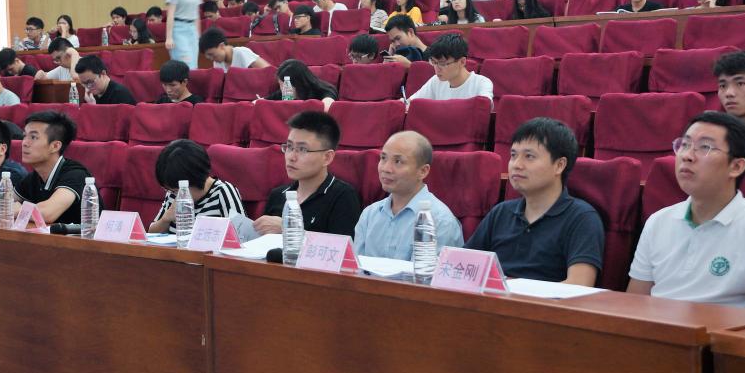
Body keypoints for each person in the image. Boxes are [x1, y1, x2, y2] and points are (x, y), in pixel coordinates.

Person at [627, 112, 745, 313]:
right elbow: (635, 301)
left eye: (705, 147)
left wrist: (702, 324)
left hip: (723, 333)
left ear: (736, 166)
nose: (687, 156)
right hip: (657, 330)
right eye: (684, 144)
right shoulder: (657, 222)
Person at [466, 118, 605, 285]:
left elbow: (579, 286)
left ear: (559, 165)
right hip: (494, 299)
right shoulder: (501, 212)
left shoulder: (582, 218)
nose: (516, 165)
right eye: (513, 155)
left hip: (545, 302)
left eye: (529, 156)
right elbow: (462, 267)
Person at [353, 131, 463, 259]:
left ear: (423, 171)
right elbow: (355, 267)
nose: (386, 169)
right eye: (383, 158)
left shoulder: (440, 222)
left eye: (398, 161)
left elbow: (426, 272)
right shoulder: (369, 215)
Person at [253, 111, 361, 237]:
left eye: (302, 149)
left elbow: (342, 247)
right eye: (289, 147)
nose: (291, 157)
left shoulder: (342, 196)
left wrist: (289, 229)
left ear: (327, 157)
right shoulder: (278, 195)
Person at [149, 139, 245, 234]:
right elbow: (151, 234)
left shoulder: (223, 192)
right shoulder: (173, 194)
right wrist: (165, 219)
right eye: (171, 191)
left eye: (177, 191)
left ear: (195, 178)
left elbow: (242, 235)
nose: (177, 195)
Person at [13, 110, 92, 225]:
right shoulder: (34, 177)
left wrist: (17, 210)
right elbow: (2, 203)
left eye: (33, 137)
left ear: (55, 146)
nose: (24, 143)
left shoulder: (76, 174)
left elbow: (47, 213)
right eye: (24, 136)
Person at [409, 34, 494, 105]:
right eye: (434, 62)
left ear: (462, 62)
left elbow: (484, 108)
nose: (437, 68)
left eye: (442, 63)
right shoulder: (436, 81)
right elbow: (411, 103)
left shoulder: (482, 83)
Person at [164, 0, 202, 69]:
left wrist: (198, 36)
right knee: (185, 63)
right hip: (179, 30)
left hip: (192, 31)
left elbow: (196, 16)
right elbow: (170, 15)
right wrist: (169, 37)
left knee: (194, 65)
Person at [267, 59, 337, 110]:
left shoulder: (326, 91)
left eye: (285, 85)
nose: (282, 89)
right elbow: (262, 102)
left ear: (298, 83)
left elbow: (325, 110)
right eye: (281, 84)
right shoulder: (285, 92)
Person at [200, 27, 270, 71]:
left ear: (221, 46)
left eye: (211, 54)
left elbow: (269, 71)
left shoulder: (241, 52)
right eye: (208, 57)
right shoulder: (217, 62)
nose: (211, 59)